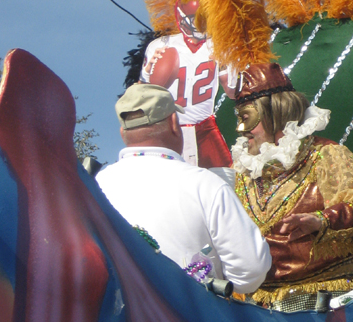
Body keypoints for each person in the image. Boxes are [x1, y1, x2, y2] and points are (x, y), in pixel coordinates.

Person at [231, 63, 353, 309]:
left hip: (322, 303)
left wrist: (323, 220)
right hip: (258, 308)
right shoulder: (243, 167)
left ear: (276, 115)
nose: (241, 129)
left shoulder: (324, 155)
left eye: (247, 118)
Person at [96, 83, 271, 294]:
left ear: (123, 132)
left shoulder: (96, 185)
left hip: (109, 321)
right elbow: (250, 271)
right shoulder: (205, 184)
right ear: (173, 123)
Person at [140, 0, 232, 168]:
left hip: (205, 127)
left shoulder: (221, 46)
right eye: (196, 19)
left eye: (206, 18)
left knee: (224, 181)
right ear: (181, 17)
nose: (202, 24)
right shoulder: (161, 45)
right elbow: (142, 94)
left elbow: (233, 92)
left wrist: (227, 69)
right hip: (167, 128)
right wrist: (148, 71)